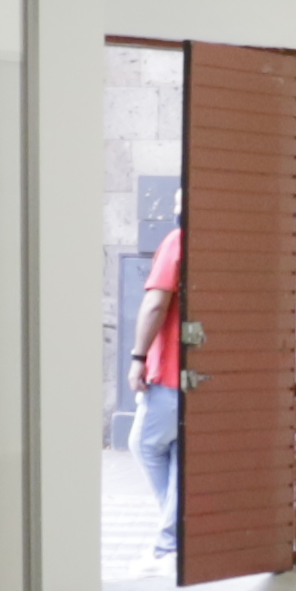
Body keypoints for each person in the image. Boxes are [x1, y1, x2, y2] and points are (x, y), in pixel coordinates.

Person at [127, 216, 186, 562]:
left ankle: (172, 535)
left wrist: (138, 357)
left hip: (171, 371)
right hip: (202, 373)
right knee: (180, 452)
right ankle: (175, 530)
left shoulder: (178, 240)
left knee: (145, 444)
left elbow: (156, 303)